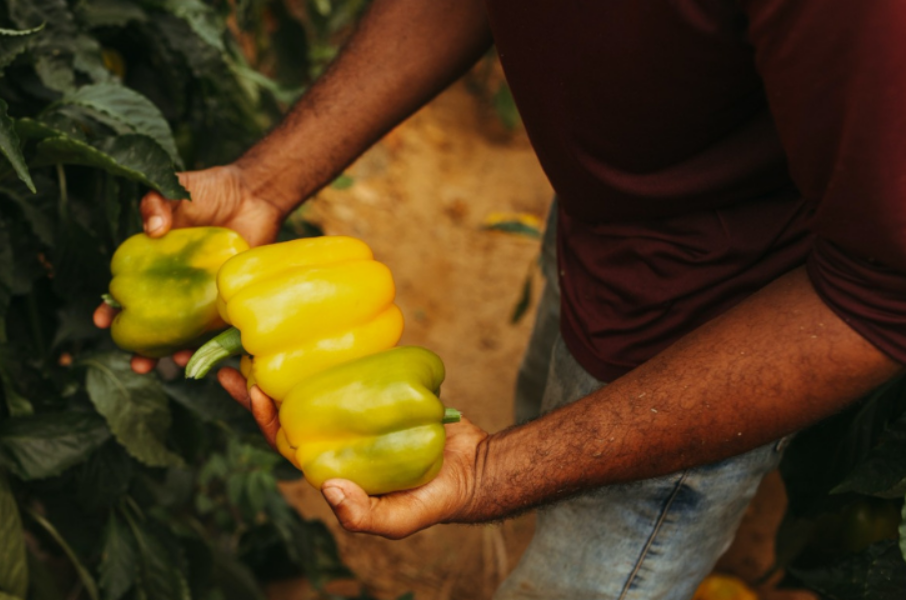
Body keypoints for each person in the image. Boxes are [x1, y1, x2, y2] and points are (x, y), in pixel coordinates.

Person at [95, 1, 906, 597]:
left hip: (720, 331)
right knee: (539, 425)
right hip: (603, 226)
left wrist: (493, 473)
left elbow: (880, 296)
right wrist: (264, 183)